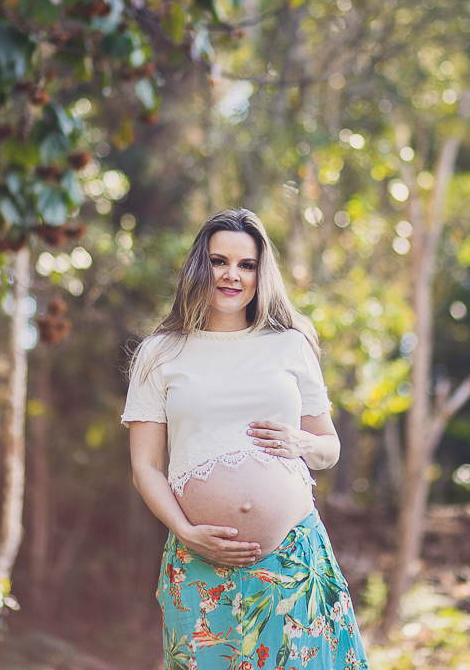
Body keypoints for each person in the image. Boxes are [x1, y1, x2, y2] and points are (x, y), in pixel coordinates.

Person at [122, 209, 369, 669]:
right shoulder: (159, 353)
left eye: (247, 264)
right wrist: (187, 532)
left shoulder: (291, 344)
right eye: (219, 261)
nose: (232, 275)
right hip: (199, 565)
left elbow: (328, 448)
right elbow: (146, 468)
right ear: (201, 266)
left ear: (261, 272)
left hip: (294, 559)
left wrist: (299, 442)